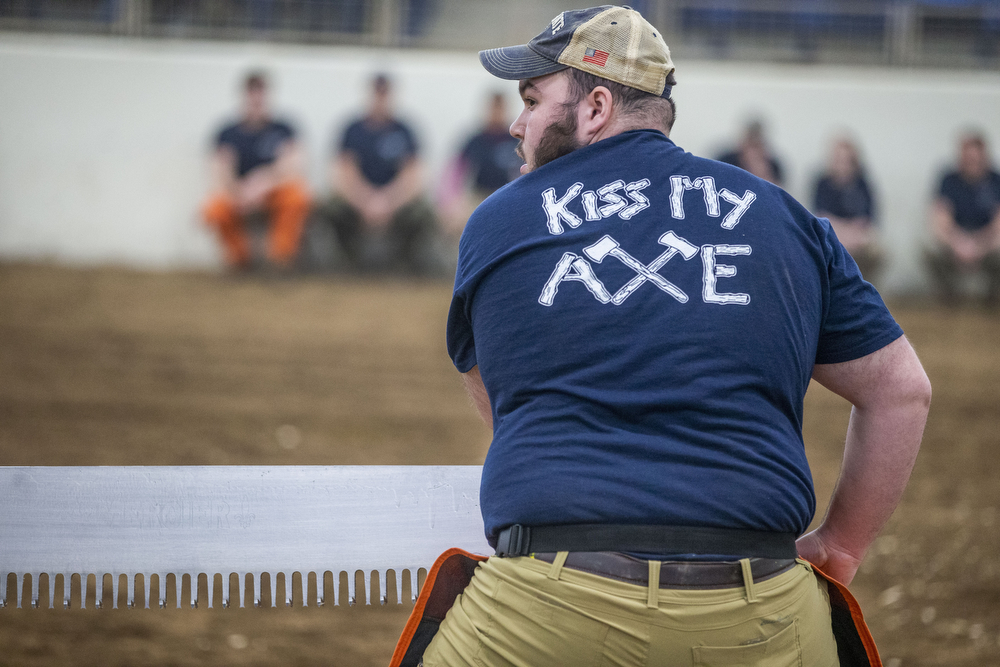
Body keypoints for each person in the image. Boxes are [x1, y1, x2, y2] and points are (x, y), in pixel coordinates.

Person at [391, 6, 931, 667]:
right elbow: (901, 391)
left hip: (546, 610)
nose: (517, 123)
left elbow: (504, 406)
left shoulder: (499, 221)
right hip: (760, 604)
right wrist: (841, 545)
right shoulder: (786, 218)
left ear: (594, 106)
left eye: (532, 99)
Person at [321, 73, 440, 275]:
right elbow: (343, 173)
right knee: (331, 208)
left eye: (384, 93)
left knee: (423, 212)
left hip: (395, 200)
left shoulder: (405, 130)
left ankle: (403, 265)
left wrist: (388, 201)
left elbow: (412, 176)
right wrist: (366, 200)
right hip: (358, 199)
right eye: (377, 92)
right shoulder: (352, 130)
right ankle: (349, 263)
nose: (380, 98)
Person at [201, 71, 311, 272]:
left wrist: (263, 184)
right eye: (252, 92)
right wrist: (240, 192)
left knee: (297, 195)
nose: (256, 98)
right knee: (214, 207)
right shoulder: (227, 133)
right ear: (244, 96)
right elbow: (220, 170)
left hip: (273, 191)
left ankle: (280, 259)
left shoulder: (283, 129)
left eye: (260, 92)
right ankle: (239, 260)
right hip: (238, 194)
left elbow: (293, 166)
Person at [437, 92, 523, 253]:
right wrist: (451, 204)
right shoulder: (474, 140)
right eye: (493, 107)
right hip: (477, 197)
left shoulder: (516, 140)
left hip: (506, 197)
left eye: (500, 108)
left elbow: (524, 174)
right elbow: (454, 174)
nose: (496, 112)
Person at [924, 132, 1000, 305]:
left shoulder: (996, 180)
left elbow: (998, 223)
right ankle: (948, 297)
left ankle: (993, 299)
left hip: (985, 240)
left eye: (976, 159)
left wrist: (980, 245)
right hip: (957, 237)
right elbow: (941, 217)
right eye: (967, 158)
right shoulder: (948, 179)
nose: (972, 163)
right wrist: (958, 242)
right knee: (929, 245)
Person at [813, 137, 883, 283]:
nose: (843, 165)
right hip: (832, 236)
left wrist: (853, 235)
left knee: (878, 248)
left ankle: (866, 288)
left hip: (858, 237)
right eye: (839, 159)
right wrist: (842, 234)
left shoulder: (862, 183)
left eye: (847, 160)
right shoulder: (822, 183)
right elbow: (820, 217)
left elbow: (868, 219)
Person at [716, 118, 785, 186]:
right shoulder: (726, 161)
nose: (753, 152)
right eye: (751, 144)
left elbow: (776, 191)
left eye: (756, 145)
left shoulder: (773, 166)